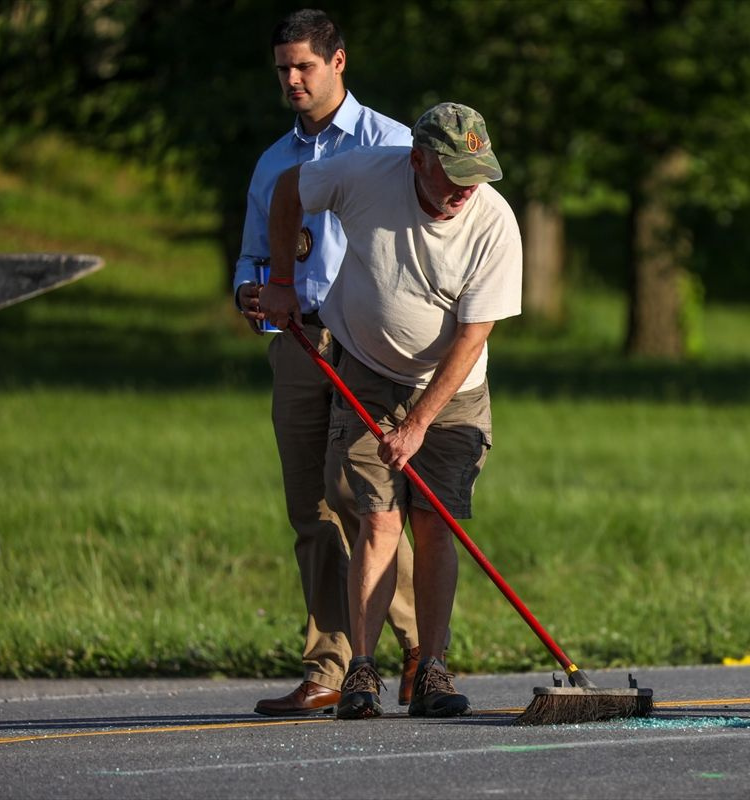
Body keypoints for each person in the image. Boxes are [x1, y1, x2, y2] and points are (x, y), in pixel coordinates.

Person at [260, 101, 522, 719]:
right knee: (377, 520)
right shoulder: (367, 173)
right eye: (452, 173)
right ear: (417, 160)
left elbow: (471, 336)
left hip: (451, 392)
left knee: (433, 524)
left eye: (476, 172)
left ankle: (432, 667)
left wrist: (416, 426)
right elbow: (288, 187)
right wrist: (280, 280)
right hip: (368, 375)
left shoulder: (494, 223)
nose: (465, 189)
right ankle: (361, 672)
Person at [233, 8, 425, 717]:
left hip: (369, 345)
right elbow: (254, 252)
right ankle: (327, 665)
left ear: (338, 63)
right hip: (299, 342)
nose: (291, 79)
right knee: (309, 508)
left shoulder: (392, 144)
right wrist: (250, 293)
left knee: (367, 501)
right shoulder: (273, 161)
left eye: (304, 66)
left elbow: (422, 242)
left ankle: (416, 649)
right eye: (283, 67)